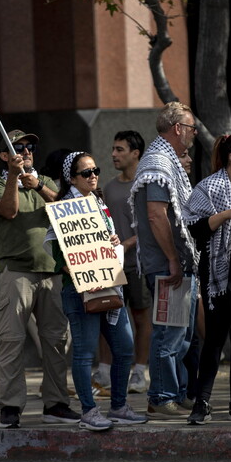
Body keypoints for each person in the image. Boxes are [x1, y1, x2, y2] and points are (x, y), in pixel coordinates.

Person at [0, 129, 80, 429]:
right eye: (18, 147)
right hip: (15, 273)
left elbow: (64, 209)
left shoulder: (47, 183)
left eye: (29, 147)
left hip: (50, 272)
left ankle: (55, 403)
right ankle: (11, 407)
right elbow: (9, 211)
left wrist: (37, 185)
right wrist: (15, 177)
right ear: (5, 155)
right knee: (11, 342)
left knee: (56, 342)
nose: (26, 151)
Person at [46, 151, 147, 430]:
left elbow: (105, 242)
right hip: (79, 291)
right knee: (84, 352)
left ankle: (118, 406)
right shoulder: (63, 208)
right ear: (71, 178)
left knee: (124, 347)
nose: (93, 176)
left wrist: (113, 240)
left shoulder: (99, 203)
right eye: (85, 173)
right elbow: (55, 252)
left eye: (95, 170)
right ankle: (88, 412)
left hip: (109, 284)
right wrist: (69, 266)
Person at [182, 132, 231, 424]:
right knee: (214, 340)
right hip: (218, 276)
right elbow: (192, 228)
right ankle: (201, 403)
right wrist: (225, 214)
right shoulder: (209, 188)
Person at [129, 102, 198, 419]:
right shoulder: (158, 162)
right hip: (164, 265)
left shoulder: (165, 160)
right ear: (178, 129)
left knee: (180, 335)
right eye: (192, 127)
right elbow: (157, 217)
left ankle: (177, 392)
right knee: (168, 333)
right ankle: (161, 396)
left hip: (176, 263)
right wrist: (172, 258)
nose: (194, 133)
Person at [101, 131, 151, 395]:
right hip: (112, 266)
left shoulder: (145, 185)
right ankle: (104, 371)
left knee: (141, 317)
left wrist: (128, 243)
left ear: (135, 153)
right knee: (106, 315)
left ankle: (140, 371)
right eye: (113, 149)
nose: (113, 155)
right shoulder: (108, 187)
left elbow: (151, 223)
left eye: (120, 149)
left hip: (139, 264)